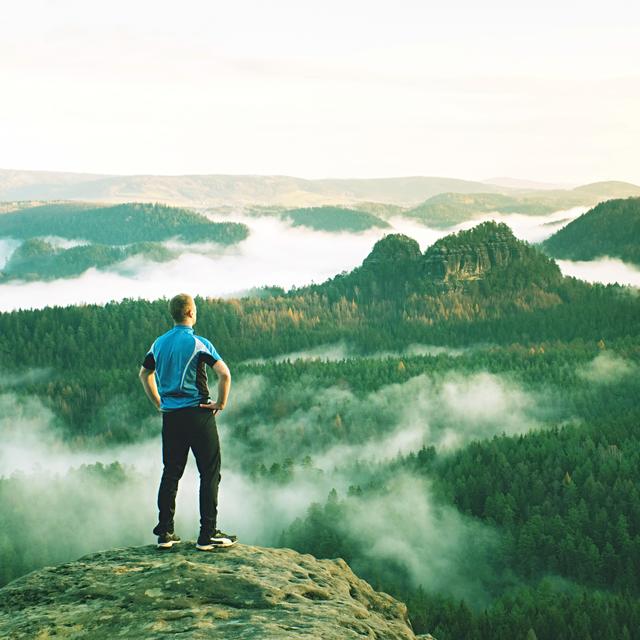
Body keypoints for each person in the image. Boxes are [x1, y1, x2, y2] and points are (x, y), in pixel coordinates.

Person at [138, 293, 237, 550]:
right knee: (209, 472)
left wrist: (159, 402)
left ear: (174, 314)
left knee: (171, 473)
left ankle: (165, 533)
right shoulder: (198, 343)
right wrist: (221, 403)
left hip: (171, 418)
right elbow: (224, 374)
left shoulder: (158, 344)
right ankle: (207, 534)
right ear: (191, 313)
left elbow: (144, 374)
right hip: (198, 414)